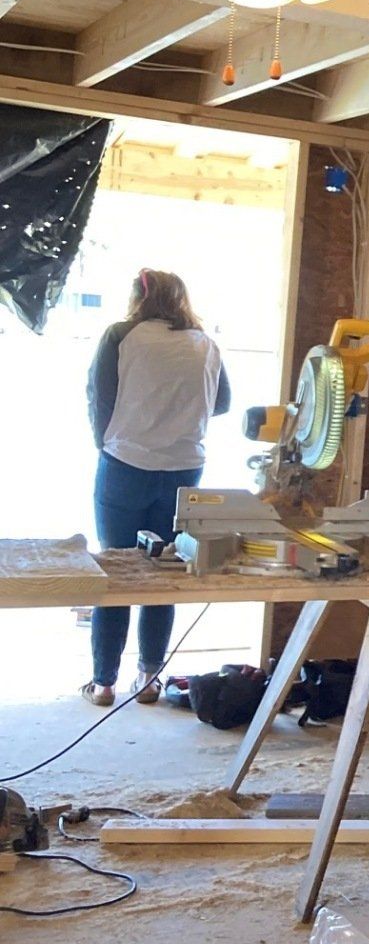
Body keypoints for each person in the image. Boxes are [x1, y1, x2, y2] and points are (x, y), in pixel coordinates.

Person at [83, 268, 231, 704]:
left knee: (115, 568)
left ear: (138, 299)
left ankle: (103, 683)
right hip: (185, 468)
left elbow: (99, 396)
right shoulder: (205, 344)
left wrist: (108, 441)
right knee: (165, 569)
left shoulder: (120, 335)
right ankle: (149, 679)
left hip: (125, 463)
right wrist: (177, 412)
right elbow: (221, 402)